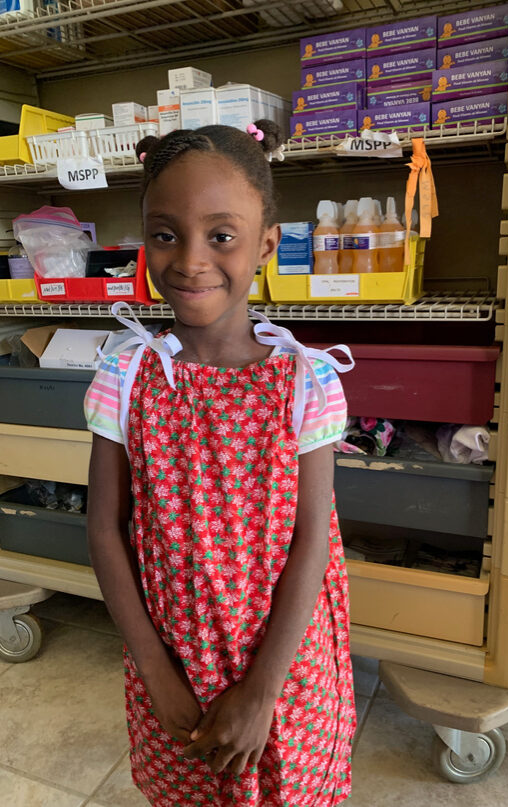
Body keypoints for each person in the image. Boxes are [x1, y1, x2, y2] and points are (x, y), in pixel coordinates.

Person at [84, 120, 357, 806]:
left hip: (285, 664)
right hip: (174, 654)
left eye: (221, 235)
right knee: (189, 786)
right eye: (165, 233)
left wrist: (263, 689)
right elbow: (103, 529)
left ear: (266, 243)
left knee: (291, 786)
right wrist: (155, 669)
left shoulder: (307, 379)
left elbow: (313, 538)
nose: (190, 260)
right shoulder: (127, 374)